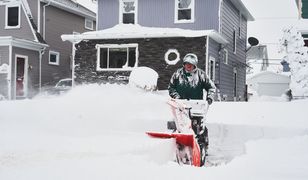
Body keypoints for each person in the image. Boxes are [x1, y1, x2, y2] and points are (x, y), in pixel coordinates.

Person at [168, 53, 216, 166]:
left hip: (197, 107)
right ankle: (177, 147)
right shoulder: (177, 74)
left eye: (191, 64)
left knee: (198, 129)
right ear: (184, 64)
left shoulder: (201, 75)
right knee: (177, 126)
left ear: (195, 65)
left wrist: (209, 98)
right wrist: (177, 98)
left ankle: (202, 146)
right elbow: (171, 87)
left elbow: (211, 87)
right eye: (186, 64)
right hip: (180, 106)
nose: (188, 66)